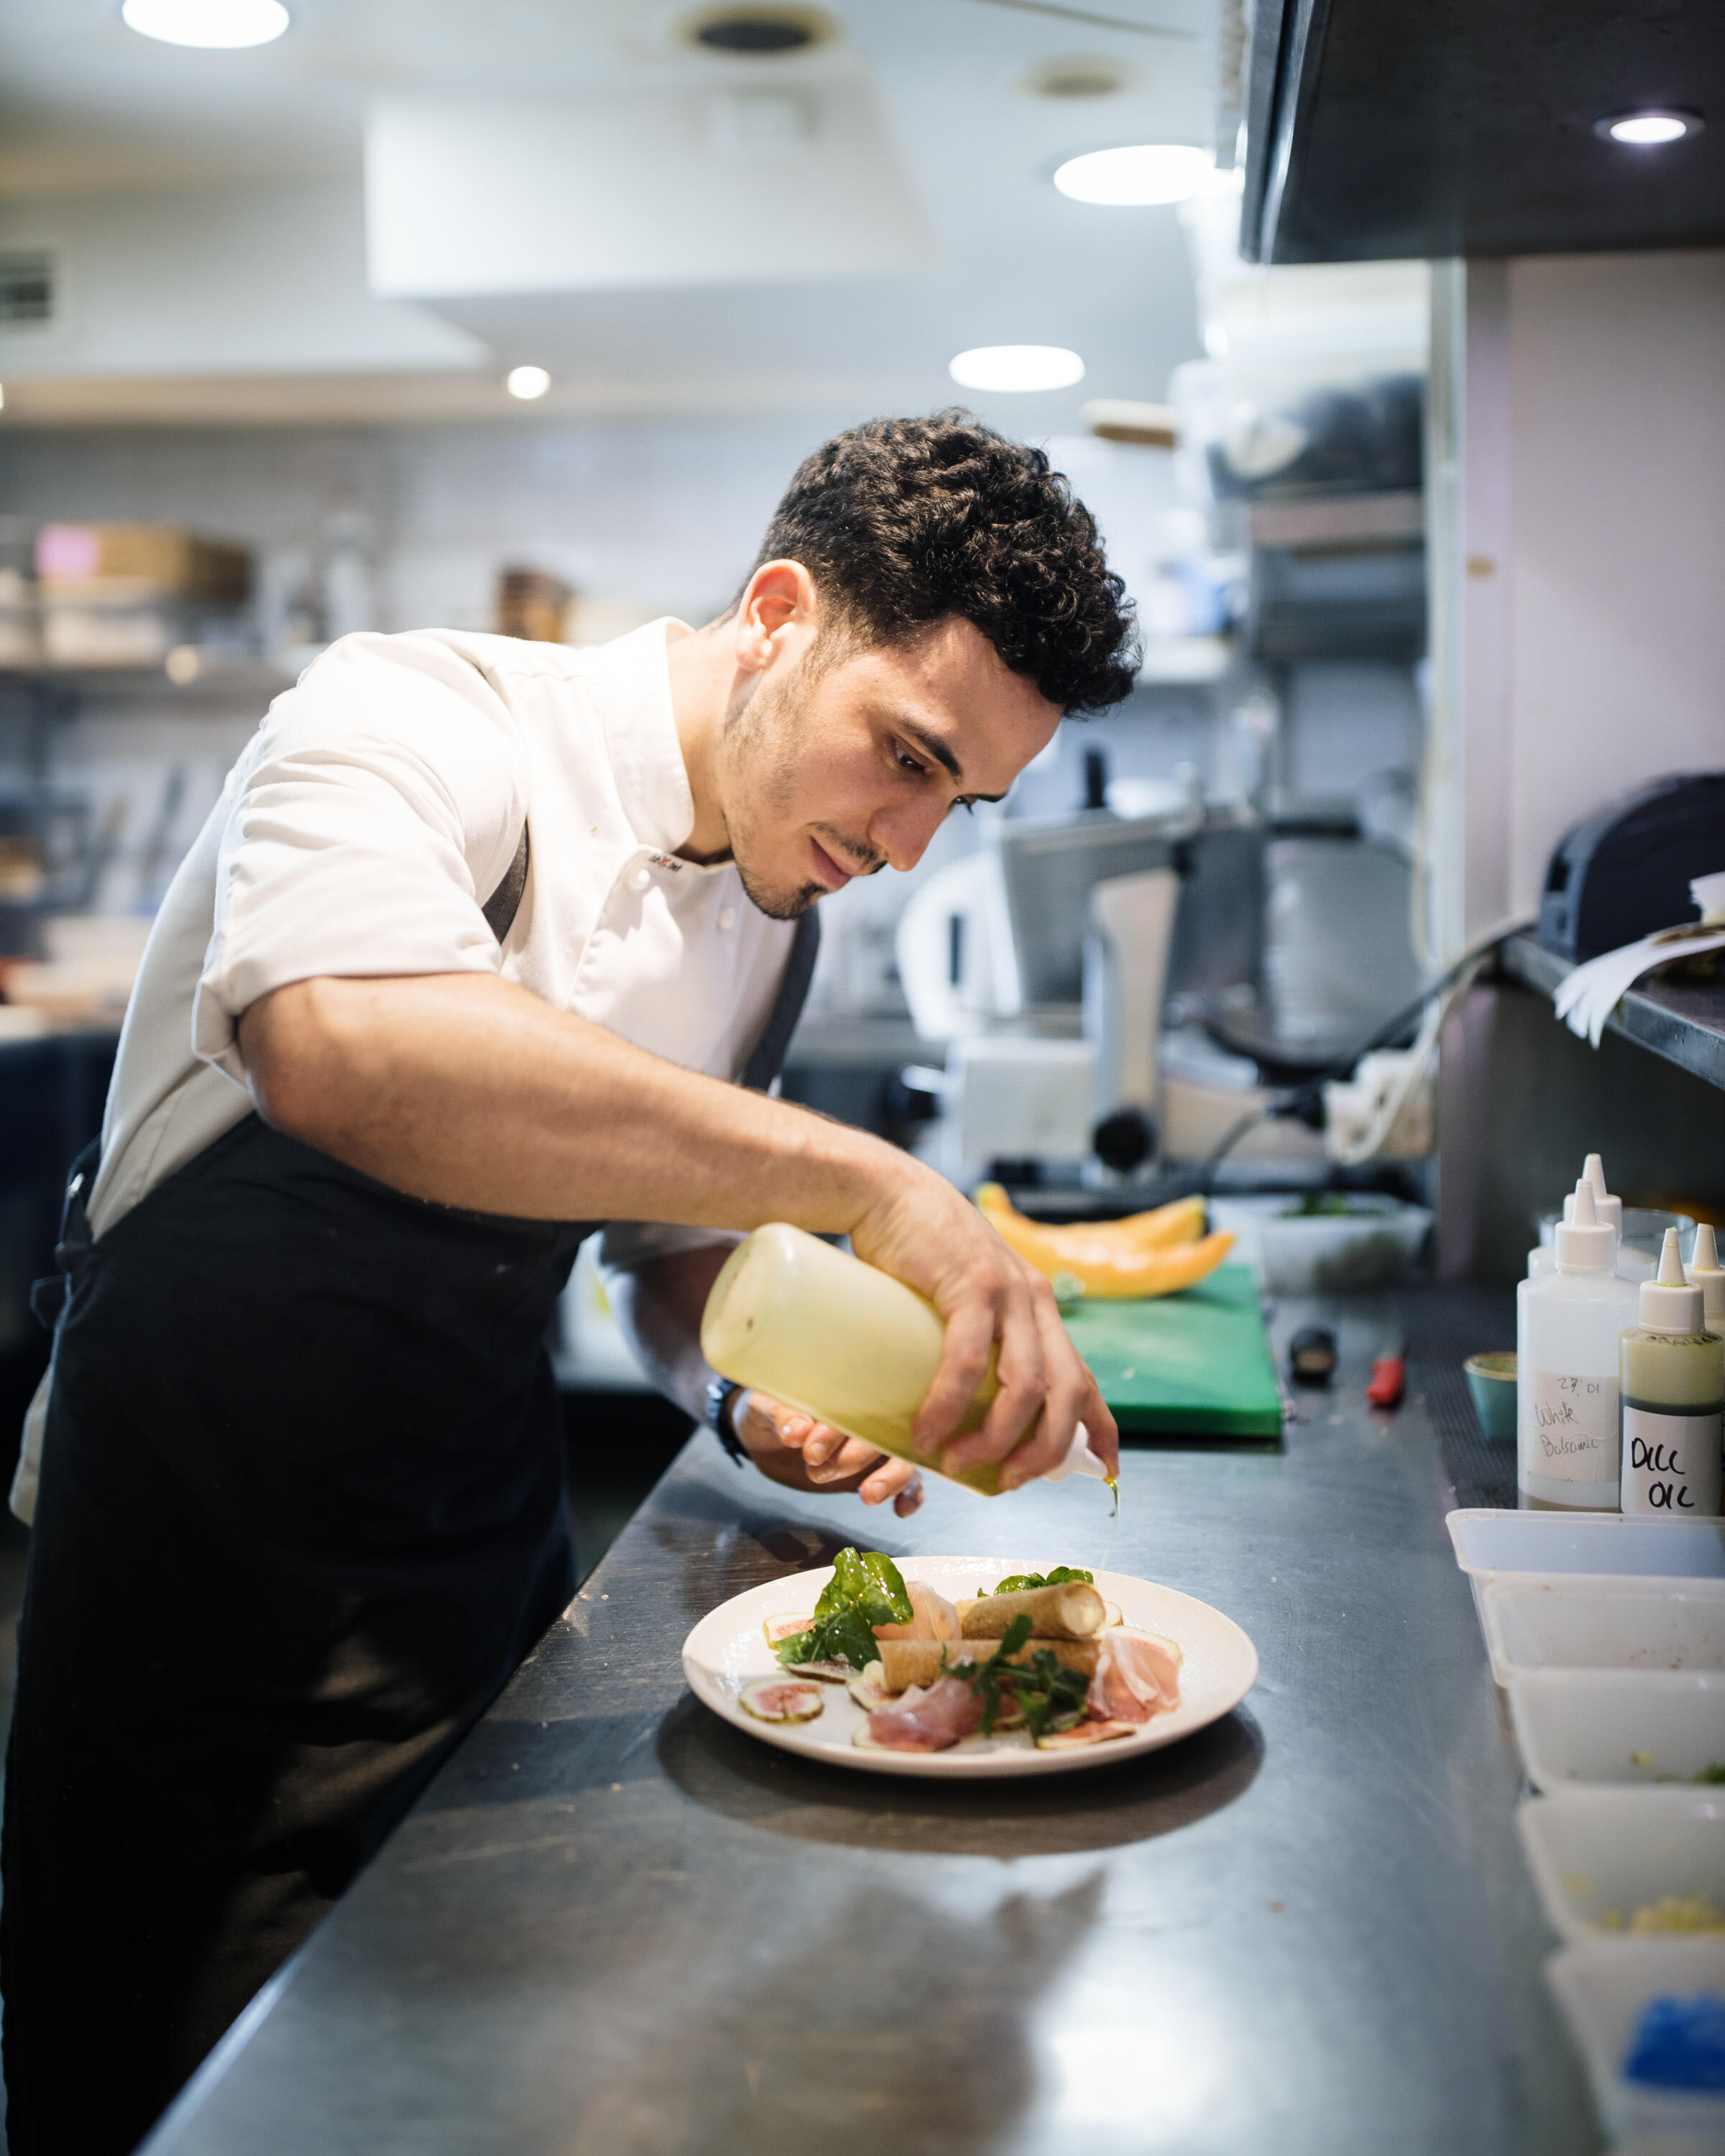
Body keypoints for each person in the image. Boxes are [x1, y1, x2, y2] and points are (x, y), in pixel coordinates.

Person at [1, 412, 1136, 2155]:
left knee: (473, 2072)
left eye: (961, 804)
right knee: (173, 2093)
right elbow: (346, 1045)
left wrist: (746, 1393)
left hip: (477, 1560)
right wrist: (863, 1179)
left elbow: (660, 1252)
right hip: (190, 1568)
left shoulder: (779, 910)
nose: (911, 846)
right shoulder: (413, 715)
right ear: (777, 612)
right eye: (905, 758)